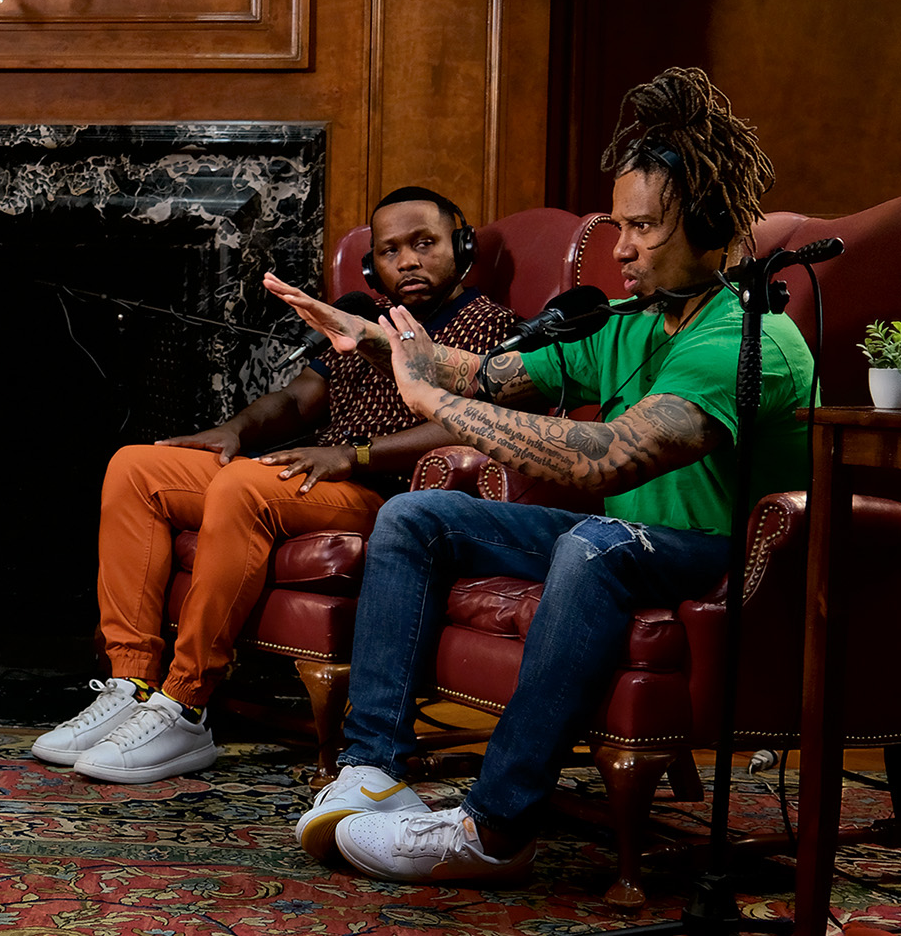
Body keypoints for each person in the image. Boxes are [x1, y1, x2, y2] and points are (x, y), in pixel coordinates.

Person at [268, 67, 807, 883]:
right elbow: (487, 374)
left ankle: (495, 827)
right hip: (623, 540)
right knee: (417, 517)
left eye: (644, 228)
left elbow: (614, 454)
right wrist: (375, 337)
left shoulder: (749, 342)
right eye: (617, 226)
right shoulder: (631, 320)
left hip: (717, 551)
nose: (618, 249)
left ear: (710, 225)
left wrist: (425, 398)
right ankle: (375, 768)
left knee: (593, 542)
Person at [32, 188, 516, 784]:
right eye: (390, 250)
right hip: (321, 473)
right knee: (137, 468)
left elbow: (471, 422)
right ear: (372, 267)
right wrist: (234, 429)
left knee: (244, 486)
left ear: (459, 247)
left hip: (390, 496)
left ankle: (186, 704)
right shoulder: (360, 320)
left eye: (424, 243)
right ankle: (132, 682)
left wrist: (351, 453)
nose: (407, 261)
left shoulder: (490, 325)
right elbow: (296, 399)